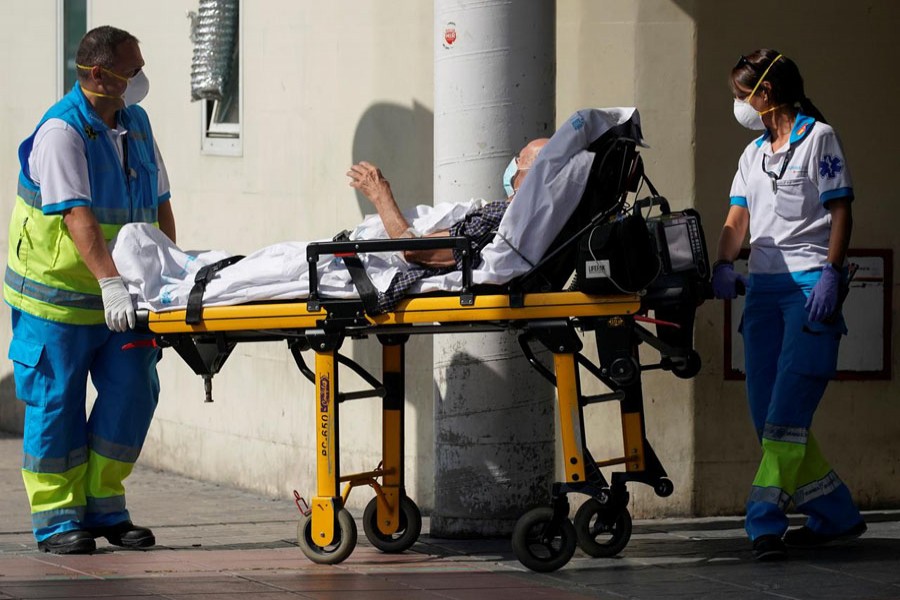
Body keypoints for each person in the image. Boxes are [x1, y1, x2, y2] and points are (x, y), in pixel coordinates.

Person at [5, 26, 174, 554]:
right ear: (98, 74)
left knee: (133, 392)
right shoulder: (62, 132)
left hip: (126, 297)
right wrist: (109, 284)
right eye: (131, 68)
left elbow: (161, 199)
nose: (140, 77)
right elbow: (78, 215)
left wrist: (170, 273)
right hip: (58, 298)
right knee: (57, 403)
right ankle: (57, 519)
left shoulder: (137, 122)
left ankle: (105, 506)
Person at [712, 49, 865, 561]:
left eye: (741, 94)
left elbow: (839, 209)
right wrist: (725, 263)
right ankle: (836, 515)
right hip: (763, 293)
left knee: (784, 417)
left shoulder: (818, 138)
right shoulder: (752, 154)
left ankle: (763, 523)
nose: (738, 103)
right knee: (769, 419)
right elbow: (739, 218)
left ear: (766, 94)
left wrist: (831, 271)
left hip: (808, 291)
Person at [347, 138, 548, 311]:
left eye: (518, 159)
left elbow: (412, 250)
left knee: (320, 260)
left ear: (530, 176)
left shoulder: (502, 215)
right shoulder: (526, 220)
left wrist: (381, 194)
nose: (513, 164)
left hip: (360, 268)